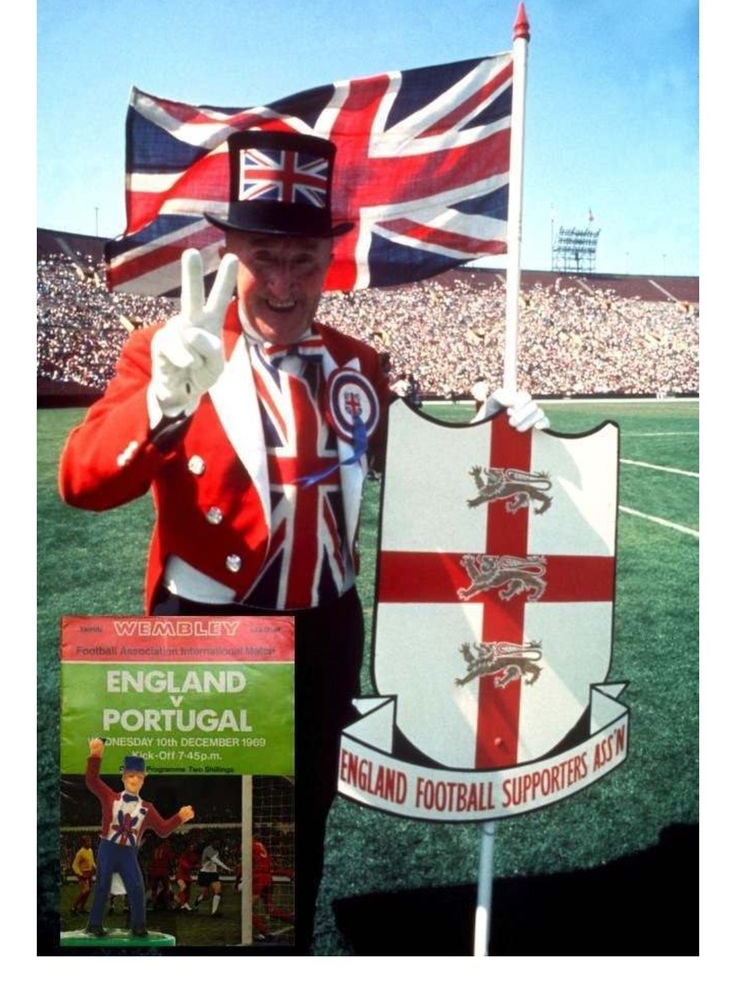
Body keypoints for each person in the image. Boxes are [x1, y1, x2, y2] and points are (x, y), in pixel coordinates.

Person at [59, 128, 548, 951]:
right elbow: (82, 480)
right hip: (209, 630)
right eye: (264, 258)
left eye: (305, 262)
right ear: (228, 252)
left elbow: (430, 470)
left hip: (325, 630)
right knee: (197, 841)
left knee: (295, 838)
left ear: (331, 261)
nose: (284, 285)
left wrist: (500, 436)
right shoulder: (169, 348)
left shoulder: (358, 363)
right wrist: (162, 405)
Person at [83, 739, 195, 937]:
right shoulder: (110, 797)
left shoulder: (147, 808)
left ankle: (139, 925)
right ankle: (94, 924)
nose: (134, 780)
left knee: (136, 886)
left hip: (128, 853)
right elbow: (92, 781)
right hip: (108, 848)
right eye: (130, 776)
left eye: (139, 777)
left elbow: (162, 830)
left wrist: (179, 817)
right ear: (123, 778)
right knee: (102, 885)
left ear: (144, 779)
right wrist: (95, 755)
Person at [194, 841, 231, 917]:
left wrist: (221, 869)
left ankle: (214, 912)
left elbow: (217, 862)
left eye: (219, 843)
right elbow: (215, 860)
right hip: (204, 874)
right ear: (212, 843)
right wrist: (226, 868)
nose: (218, 844)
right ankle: (200, 898)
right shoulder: (207, 850)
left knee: (218, 891)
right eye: (217, 843)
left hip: (213, 874)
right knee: (206, 896)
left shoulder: (217, 851)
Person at [70, 835, 96, 915]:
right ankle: (74, 907)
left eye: (90, 841)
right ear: (83, 843)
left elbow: (92, 862)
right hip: (82, 875)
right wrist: (79, 874)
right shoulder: (80, 853)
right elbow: (74, 865)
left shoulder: (90, 850)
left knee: (88, 892)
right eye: (87, 841)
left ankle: (81, 908)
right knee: (85, 891)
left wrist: (96, 868)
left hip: (89, 874)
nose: (89, 843)